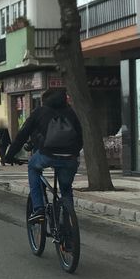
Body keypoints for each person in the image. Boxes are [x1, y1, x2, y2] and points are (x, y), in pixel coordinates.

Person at [4, 87, 83, 225]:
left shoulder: (39, 112)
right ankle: (68, 225)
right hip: (70, 158)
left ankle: (39, 209)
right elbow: (80, 137)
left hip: (47, 155)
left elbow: (22, 135)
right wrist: (73, 153)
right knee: (65, 189)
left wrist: (9, 155)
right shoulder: (70, 112)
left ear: (45, 100)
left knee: (33, 167)